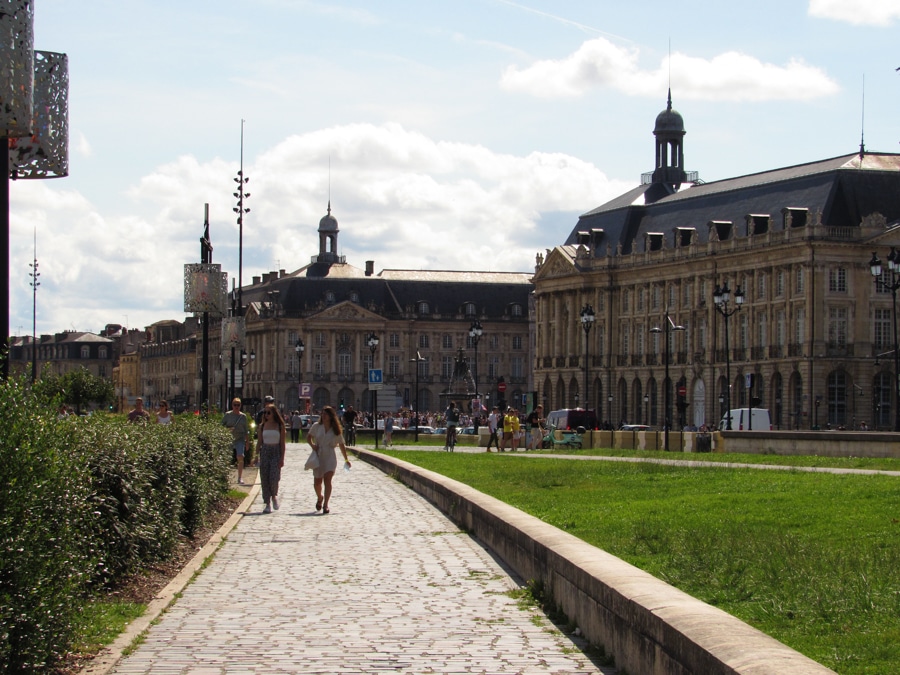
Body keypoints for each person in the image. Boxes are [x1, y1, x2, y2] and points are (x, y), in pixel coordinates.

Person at [307, 406, 351, 514]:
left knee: (328, 480)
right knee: (317, 482)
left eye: (325, 414)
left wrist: (346, 459)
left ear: (331, 416)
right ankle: (319, 497)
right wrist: (313, 446)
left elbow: (341, 444)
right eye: (322, 413)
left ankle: (326, 504)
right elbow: (308, 437)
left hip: (330, 456)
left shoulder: (335, 429)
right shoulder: (316, 426)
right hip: (318, 455)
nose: (323, 415)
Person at [256, 404, 286, 514]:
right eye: (265, 412)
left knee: (274, 477)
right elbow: (259, 442)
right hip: (265, 452)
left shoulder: (280, 426)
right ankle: (267, 503)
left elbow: (282, 444)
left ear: (274, 413)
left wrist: (282, 458)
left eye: (268, 412)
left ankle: (274, 496)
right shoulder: (262, 426)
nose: (266, 415)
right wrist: (256, 456)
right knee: (265, 478)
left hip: (276, 452)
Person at [222, 398, 250, 485]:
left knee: (240, 456)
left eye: (238, 405)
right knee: (227, 458)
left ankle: (240, 477)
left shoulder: (243, 416)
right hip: (229, 439)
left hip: (240, 439)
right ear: (232, 405)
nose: (236, 407)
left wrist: (247, 442)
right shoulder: (227, 415)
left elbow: (246, 430)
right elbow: (221, 426)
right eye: (235, 405)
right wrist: (228, 429)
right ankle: (225, 477)